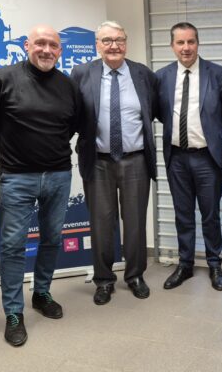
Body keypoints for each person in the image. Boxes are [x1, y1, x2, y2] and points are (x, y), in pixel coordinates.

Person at [0, 24, 82, 347]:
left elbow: (72, 126)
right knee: (12, 245)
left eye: (53, 44)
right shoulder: (1, 80)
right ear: (27, 45)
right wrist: (14, 154)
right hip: (17, 177)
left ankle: (41, 293)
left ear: (60, 50)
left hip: (59, 175)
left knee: (52, 239)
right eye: (40, 43)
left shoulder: (68, 85)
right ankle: (13, 312)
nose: (46, 49)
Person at [72, 21, 158, 305]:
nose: (114, 46)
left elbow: (153, 111)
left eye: (119, 39)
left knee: (134, 222)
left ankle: (135, 276)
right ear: (97, 45)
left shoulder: (143, 74)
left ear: (126, 42)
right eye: (107, 40)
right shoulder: (82, 73)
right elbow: (72, 115)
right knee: (101, 223)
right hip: (98, 161)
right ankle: (104, 280)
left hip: (135, 160)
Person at [155, 22, 222, 291]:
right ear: (172, 46)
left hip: (207, 158)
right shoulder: (162, 76)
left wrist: (208, 131)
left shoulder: (217, 74)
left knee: (210, 215)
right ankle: (185, 264)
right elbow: (159, 111)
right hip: (177, 157)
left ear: (198, 43)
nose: (186, 47)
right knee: (183, 214)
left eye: (191, 42)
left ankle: (214, 264)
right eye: (180, 42)